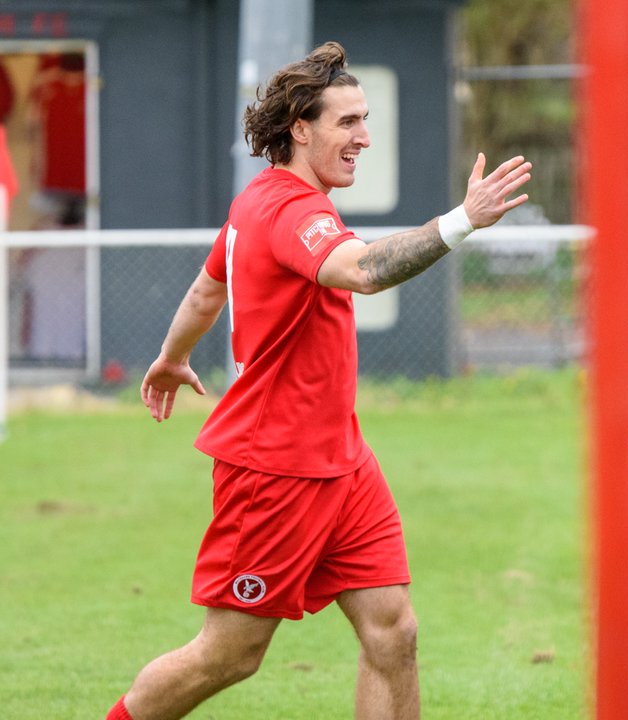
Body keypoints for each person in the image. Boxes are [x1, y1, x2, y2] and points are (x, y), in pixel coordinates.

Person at [105, 42, 531, 720]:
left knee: (393, 630)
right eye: (348, 123)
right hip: (275, 469)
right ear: (300, 128)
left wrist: (172, 355)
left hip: (341, 459)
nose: (363, 137)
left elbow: (205, 292)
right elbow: (360, 271)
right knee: (230, 654)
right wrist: (461, 222)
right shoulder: (291, 212)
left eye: (365, 120)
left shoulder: (262, 202)